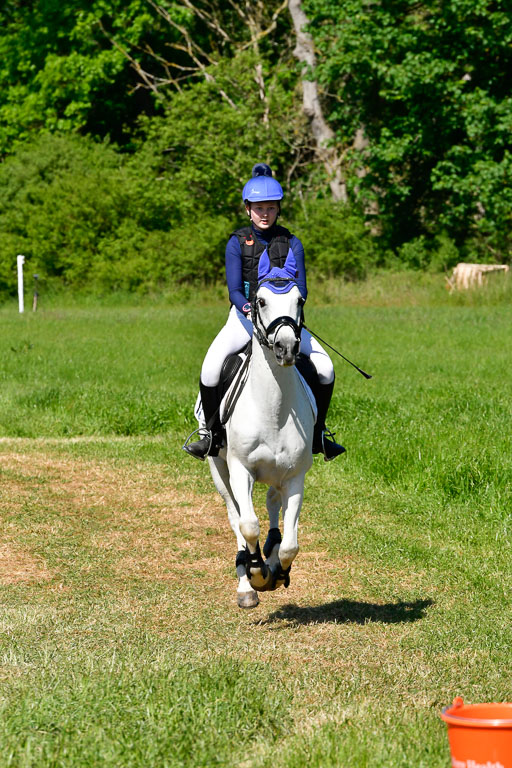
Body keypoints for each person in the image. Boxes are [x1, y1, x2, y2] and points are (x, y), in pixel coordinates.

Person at [184, 163, 345, 462]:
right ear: (247, 209)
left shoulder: (292, 242)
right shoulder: (236, 242)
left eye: (271, 207)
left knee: (326, 369)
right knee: (210, 367)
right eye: (258, 208)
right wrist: (248, 309)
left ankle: (319, 434)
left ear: (278, 209)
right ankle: (211, 435)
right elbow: (234, 290)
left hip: (283, 323)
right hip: (244, 320)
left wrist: (285, 316)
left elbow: (303, 289)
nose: (264, 213)